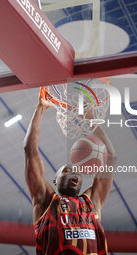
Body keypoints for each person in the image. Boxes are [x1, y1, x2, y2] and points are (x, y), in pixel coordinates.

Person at [23, 95, 117, 255]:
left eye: (77, 172)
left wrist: (89, 118)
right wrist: (40, 108)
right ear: (55, 181)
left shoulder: (91, 202)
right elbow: (30, 150)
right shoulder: (46, 201)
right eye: (67, 170)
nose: (74, 172)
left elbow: (111, 157)